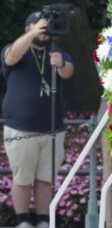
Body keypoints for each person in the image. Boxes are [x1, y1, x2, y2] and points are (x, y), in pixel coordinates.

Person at [1, 11, 74, 228]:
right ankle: (23, 222)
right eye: (38, 27)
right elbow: (10, 56)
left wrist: (61, 64)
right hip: (21, 129)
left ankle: (43, 220)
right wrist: (33, 32)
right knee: (22, 178)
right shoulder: (16, 49)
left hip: (53, 129)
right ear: (27, 29)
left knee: (45, 179)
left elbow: (69, 72)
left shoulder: (58, 52)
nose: (44, 31)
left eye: (46, 27)